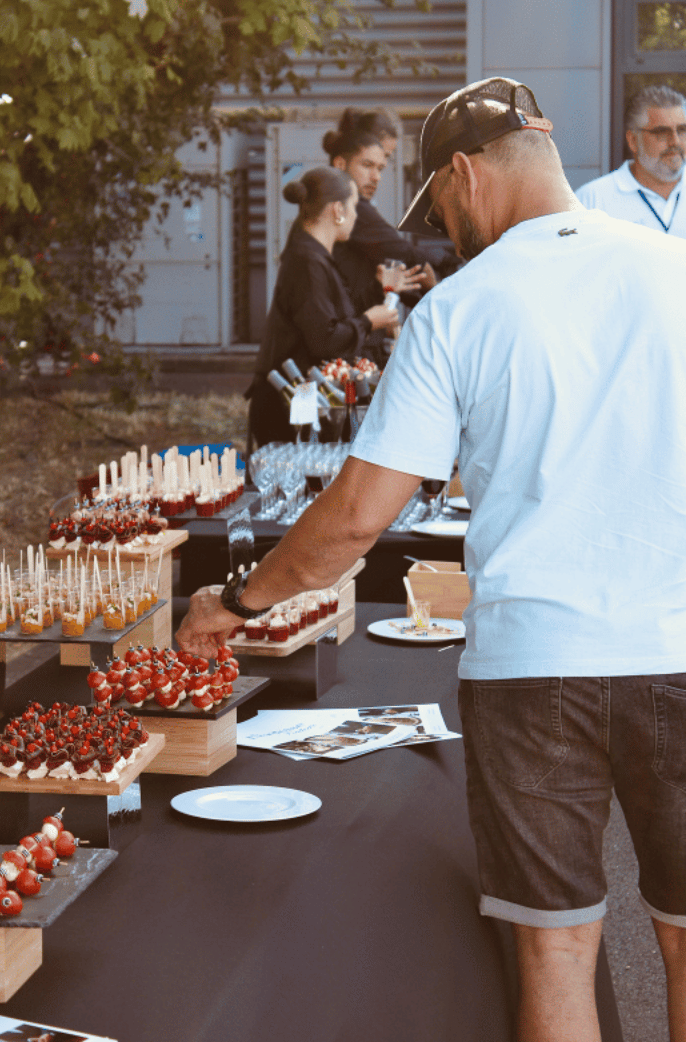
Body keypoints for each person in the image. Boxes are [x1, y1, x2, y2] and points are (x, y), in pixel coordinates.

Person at [178, 76, 686, 1042]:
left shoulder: (461, 309)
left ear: (464, 172)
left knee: (558, 947)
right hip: (681, 643)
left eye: (441, 204)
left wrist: (236, 604)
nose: (444, 229)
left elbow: (355, 520)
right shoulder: (677, 270)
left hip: (535, 671)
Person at [247, 165, 398, 446]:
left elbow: (330, 317)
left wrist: (377, 293)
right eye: (353, 207)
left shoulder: (311, 256)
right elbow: (324, 339)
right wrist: (368, 322)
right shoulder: (307, 261)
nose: (356, 216)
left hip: (299, 396)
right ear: (337, 210)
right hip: (291, 401)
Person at [324, 121, 438, 315]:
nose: (377, 177)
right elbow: (402, 252)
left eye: (381, 166)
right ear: (341, 163)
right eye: (368, 164)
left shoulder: (354, 205)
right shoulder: (351, 207)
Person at [576, 84, 686, 237]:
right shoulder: (592, 201)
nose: (675, 141)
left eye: (682, 130)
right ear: (633, 140)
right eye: (661, 132)